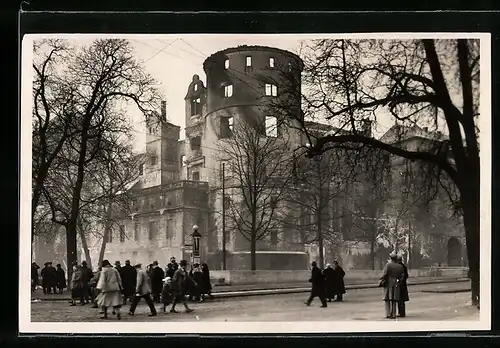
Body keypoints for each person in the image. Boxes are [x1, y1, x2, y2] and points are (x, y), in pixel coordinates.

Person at [380, 252, 405, 319]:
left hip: (389, 283)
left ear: (391, 258)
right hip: (396, 283)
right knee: (394, 299)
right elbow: (402, 276)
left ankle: (388, 314)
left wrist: (381, 280)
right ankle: (393, 314)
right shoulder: (400, 266)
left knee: (387, 299)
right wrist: (398, 281)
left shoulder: (388, 265)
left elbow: (384, 274)